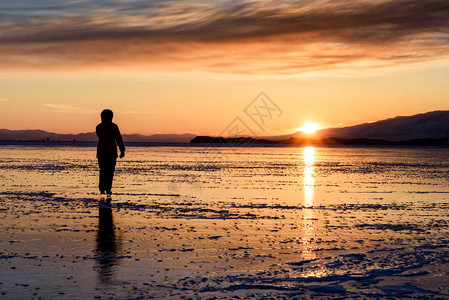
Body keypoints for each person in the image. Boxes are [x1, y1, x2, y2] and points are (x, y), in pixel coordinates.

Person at [96, 109, 125, 197]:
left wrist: (122, 149)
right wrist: (122, 150)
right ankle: (106, 188)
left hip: (104, 152)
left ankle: (103, 188)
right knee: (109, 171)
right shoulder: (113, 127)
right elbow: (118, 138)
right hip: (109, 152)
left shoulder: (99, 127)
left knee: (104, 171)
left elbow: (118, 138)